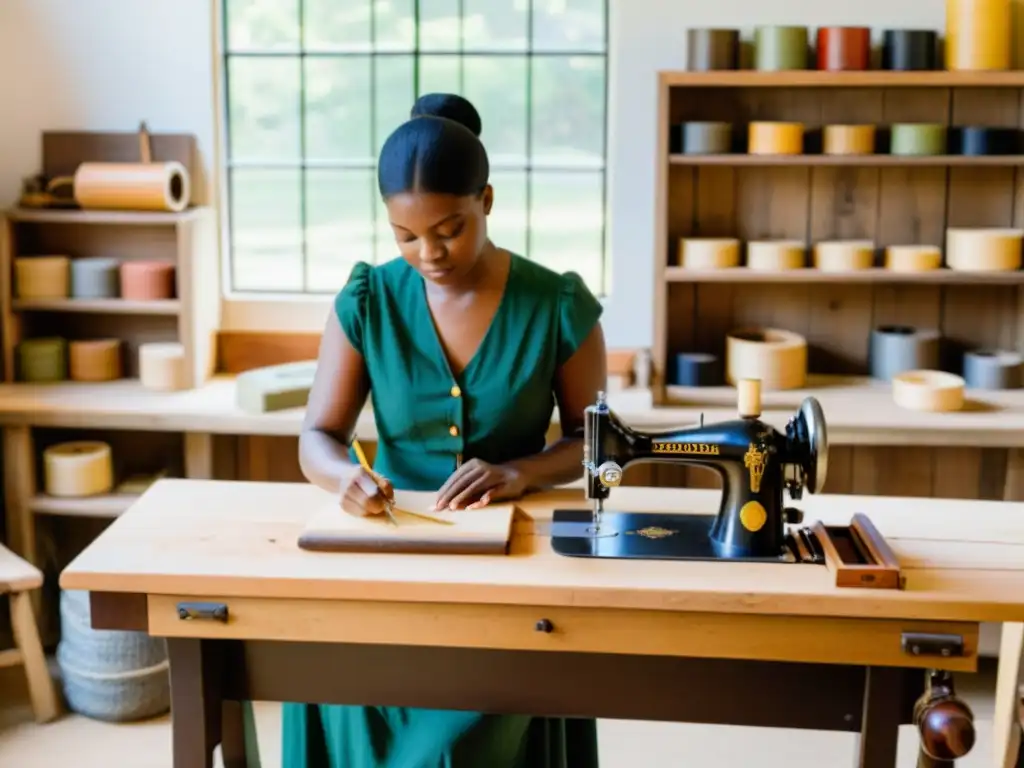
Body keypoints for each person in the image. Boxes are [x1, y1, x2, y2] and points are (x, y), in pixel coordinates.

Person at [288, 92, 607, 768]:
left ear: (486, 200)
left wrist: (521, 472)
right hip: (387, 558)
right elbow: (317, 435)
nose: (427, 252)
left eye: (449, 228)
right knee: (333, 679)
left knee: (470, 734)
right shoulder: (368, 301)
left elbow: (596, 445)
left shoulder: (557, 305)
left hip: (513, 568)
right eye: (405, 236)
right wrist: (345, 477)